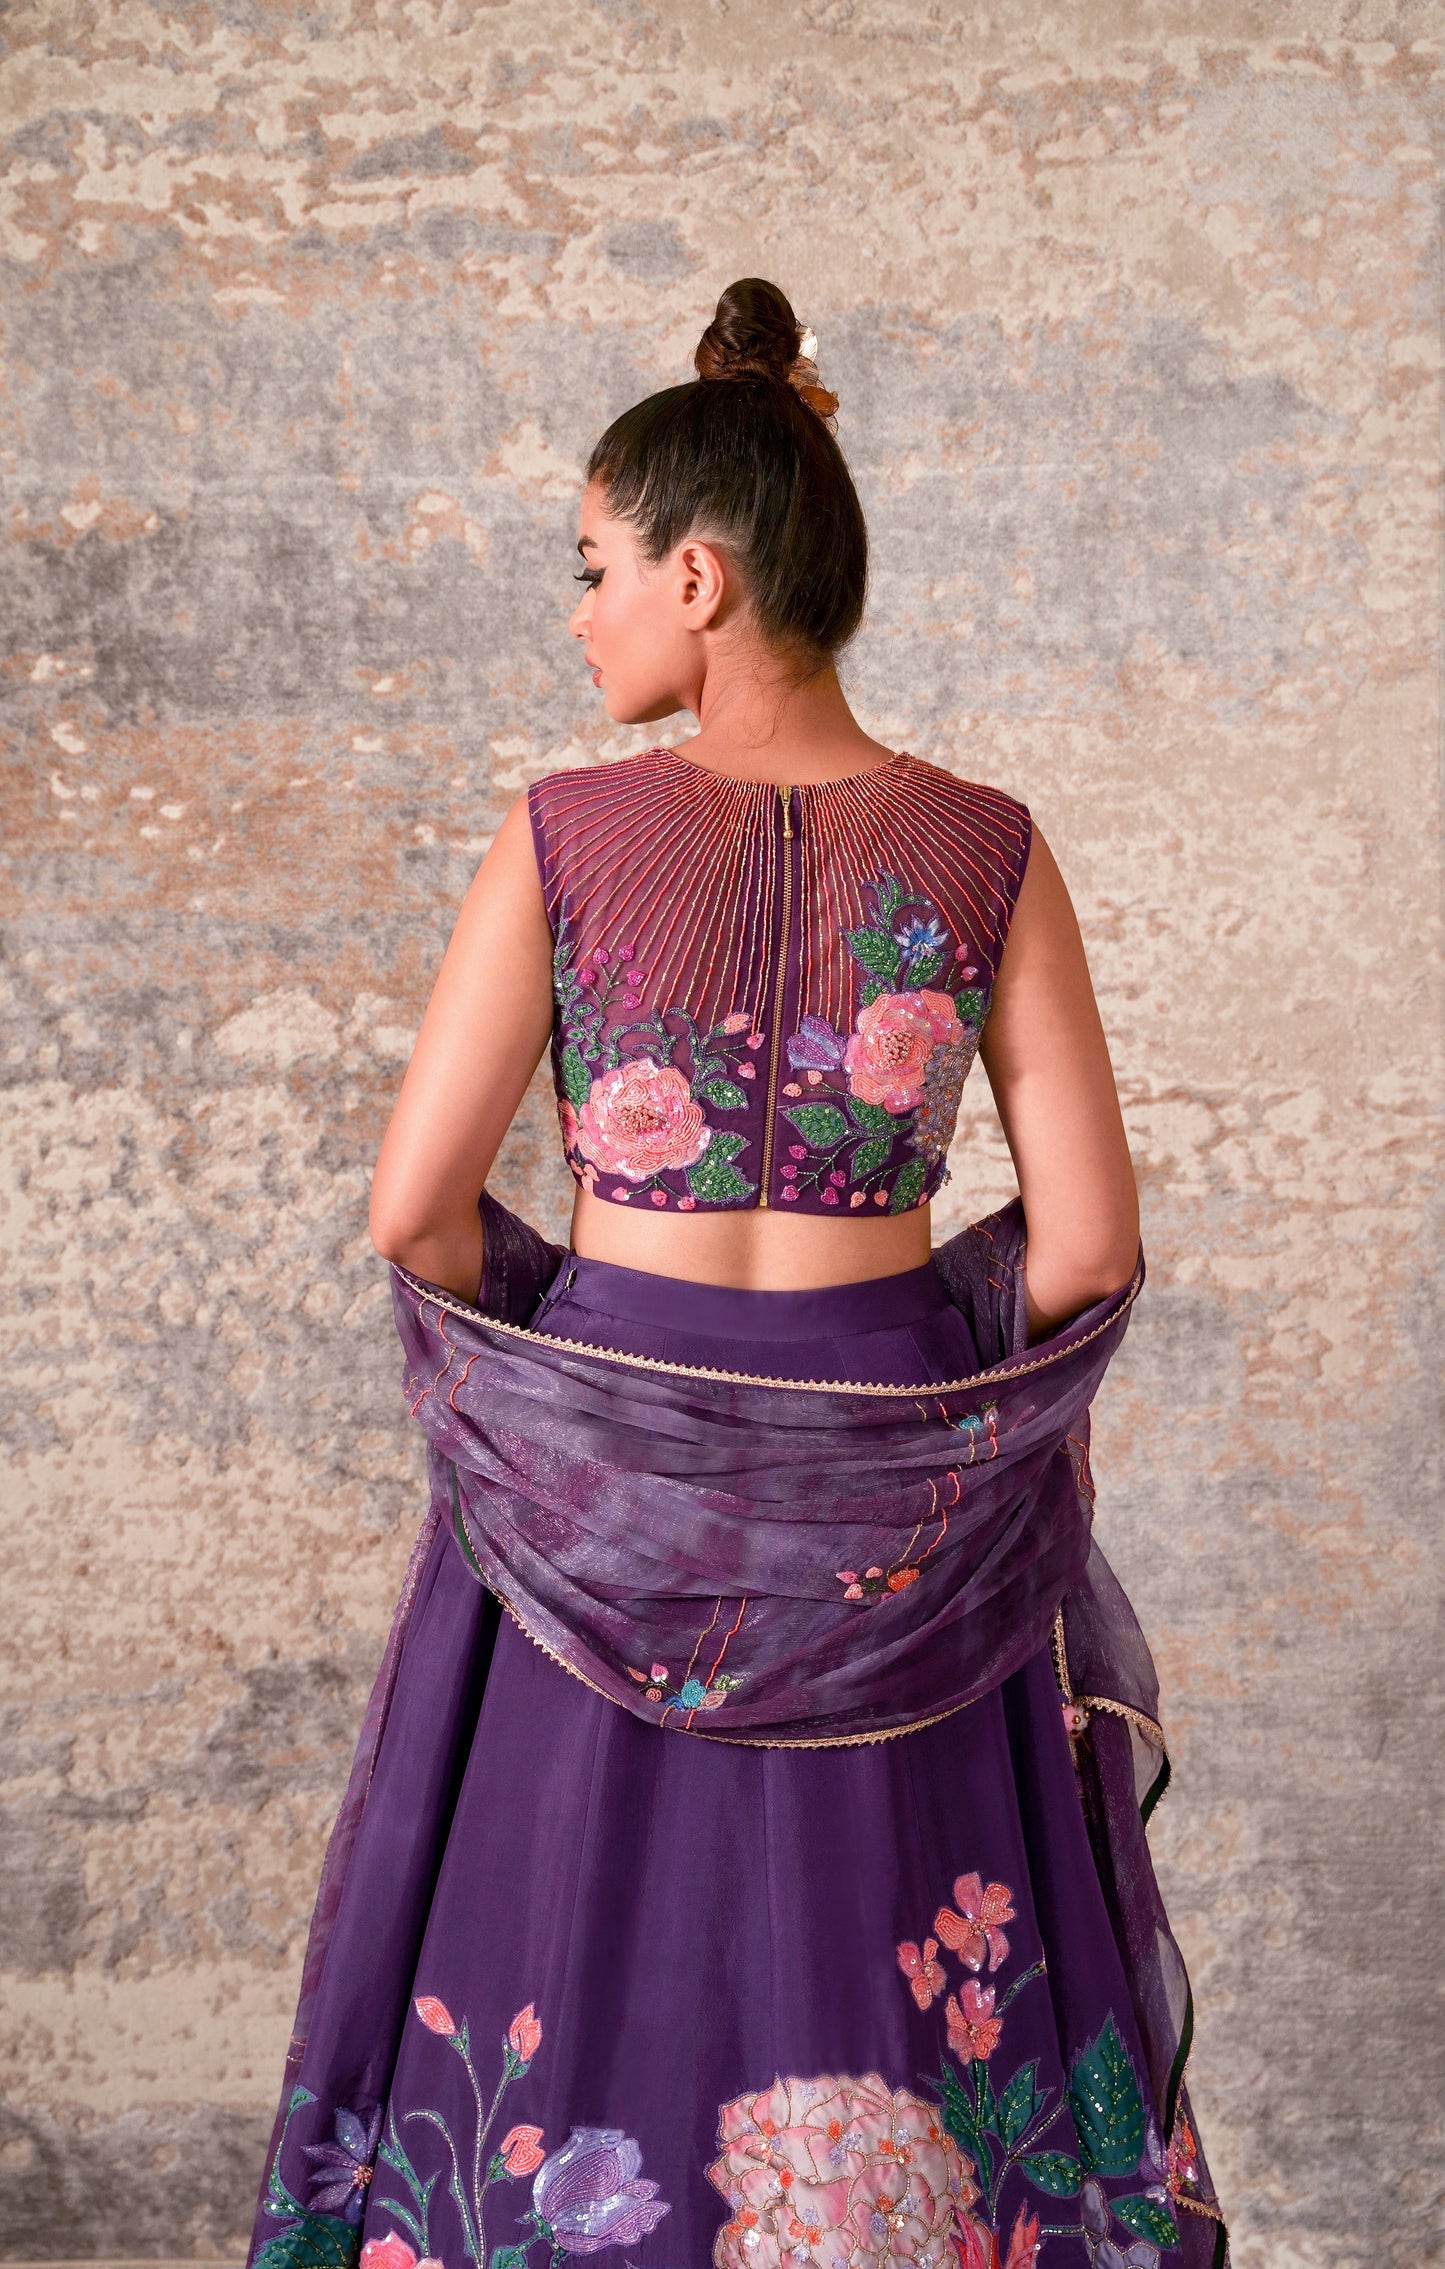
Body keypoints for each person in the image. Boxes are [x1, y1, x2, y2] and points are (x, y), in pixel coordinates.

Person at [246, 280, 1230, 2269]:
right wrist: (921, 1341)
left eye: (593, 568)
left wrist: (586, 1349)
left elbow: (415, 1213)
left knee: (574, 1939)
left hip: (595, 1478)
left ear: (696, 578)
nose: (581, 612)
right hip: (901, 1494)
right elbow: (1089, 1245)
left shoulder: (562, 835)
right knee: (900, 1954)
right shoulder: (986, 846)